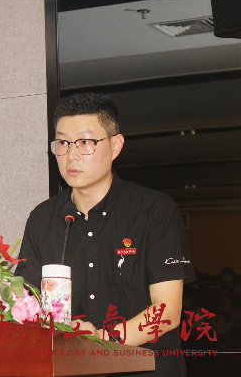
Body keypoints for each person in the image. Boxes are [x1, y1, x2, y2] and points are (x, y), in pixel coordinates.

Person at [16, 93, 196, 377]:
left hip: (146, 369)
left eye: (85, 142)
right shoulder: (43, 219)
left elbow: (167, 312)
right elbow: (26, 302)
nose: (71, 155)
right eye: (63, 143)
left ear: (115, 145)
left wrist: (99, 340)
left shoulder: (153, 210)